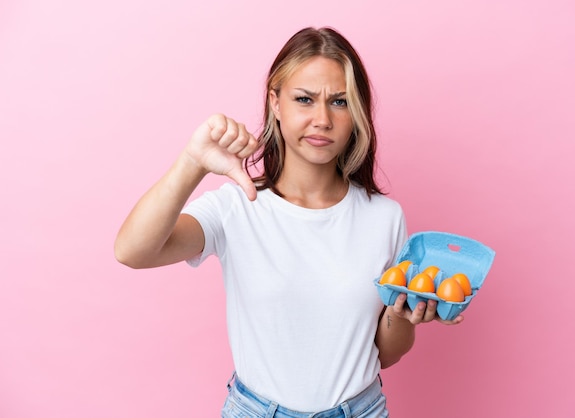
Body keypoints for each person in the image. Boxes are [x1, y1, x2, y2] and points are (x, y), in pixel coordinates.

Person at [115, 26, 462, 418]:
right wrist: (192, 162)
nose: (322, 119)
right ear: (275, 104)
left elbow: (384, 355)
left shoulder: (384, 217)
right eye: (304, 99)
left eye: (339, 102)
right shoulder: (237, 207)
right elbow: (132, 251)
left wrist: (401, 314)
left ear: (358, 113)